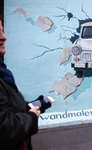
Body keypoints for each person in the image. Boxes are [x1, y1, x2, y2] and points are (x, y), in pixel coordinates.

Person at [0, 17, 50, 149]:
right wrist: (32, 116)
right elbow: (4, 128)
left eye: (2, 31)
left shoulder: (4, 73)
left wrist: (37, 104)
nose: (4, 37)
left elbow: (10, 108)